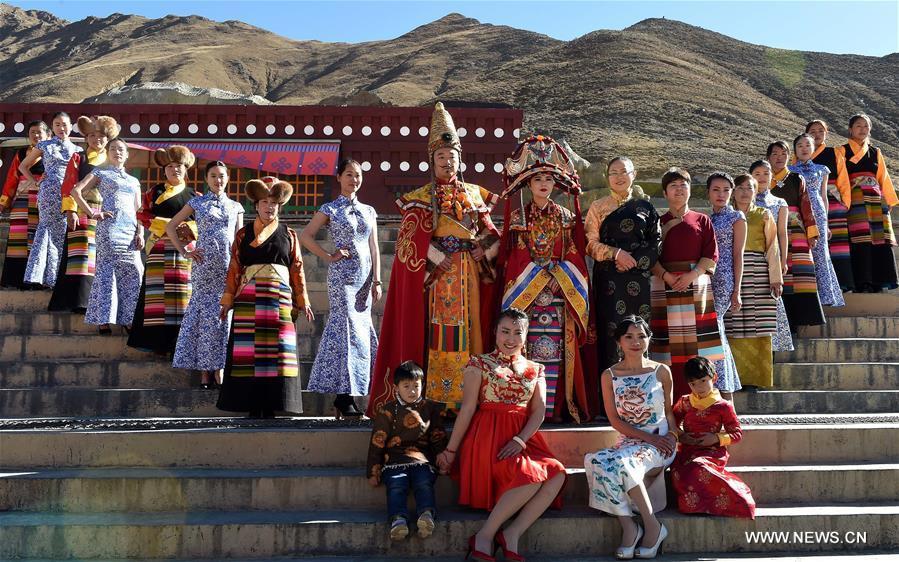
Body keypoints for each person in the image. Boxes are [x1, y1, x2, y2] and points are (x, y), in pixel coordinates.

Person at [367, 102, 500, 415]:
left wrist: (484, 247)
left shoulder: (474, 194)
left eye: (451, 156)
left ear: (459, 158)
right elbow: (408, 241)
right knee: (441, 333)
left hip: (468, 273)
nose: (447, 162)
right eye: (441, 157)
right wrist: (435, 255)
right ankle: (438, 398)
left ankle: (469, 398)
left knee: (470, 331)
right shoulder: (421, 197)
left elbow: (493, 233)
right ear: (432, 160)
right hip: (439, 277)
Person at [437, 308, 566, 562]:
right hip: (488, 438)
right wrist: (451, 450)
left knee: (556, 474)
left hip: (522, 438)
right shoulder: (479, 363)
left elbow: (539, 412)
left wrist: (520, 440)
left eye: (518, 333)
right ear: (495, 332)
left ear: (526, 335)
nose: (511, 338)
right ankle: (485, 536)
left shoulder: (536, 368)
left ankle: (512, 533)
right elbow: (468, 409)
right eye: (505, 331)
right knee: (531, 477)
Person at [496, 134, 592, 422]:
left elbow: (574, 254)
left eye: (549, 180)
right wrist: (538, 279)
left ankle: (555, 408)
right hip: (527, 296)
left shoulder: (565, 216)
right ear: (528, 183)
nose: (543, 184)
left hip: (559, 293)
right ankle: (525, 408)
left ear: (555, 185)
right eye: (537, 179)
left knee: (557, 352)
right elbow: (516, 257)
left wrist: (557, 277)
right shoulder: (518, 218)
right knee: (526, 348)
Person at [217, 177, 313, 418]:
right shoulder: (243, 234)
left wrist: (303, 301)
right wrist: (227, 300)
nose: (269, 207)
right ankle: (251, 405)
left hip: (279, 300)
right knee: (248, 353)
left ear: (279, 206)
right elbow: (234, 267)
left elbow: (297, 269)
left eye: (273, 203)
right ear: (255, 205)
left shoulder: (289, 234)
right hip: (249, 297)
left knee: (277, 352)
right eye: (264, 202)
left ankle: (272, 404)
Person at [584, 316, 678, 560]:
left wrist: (672, 436)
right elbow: (615, 420)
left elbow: (669, 412)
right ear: (619, 342)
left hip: (660, 442)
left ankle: (653, 526)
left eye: (641, 336)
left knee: (625, 463)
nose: (636, 342)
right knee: (597, 460)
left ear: (649, 339)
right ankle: (630, 527)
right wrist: (645, 438)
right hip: (630, 442)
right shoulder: (609, 376)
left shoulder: (661, 371)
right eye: (629, 336)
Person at [302, 158, 381, 418]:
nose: (353, 180)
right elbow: (306, 235)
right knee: (344, 331)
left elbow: (374, 247)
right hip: (341, 278)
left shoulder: (369, 210)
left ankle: (353, 394)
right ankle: (343, 397)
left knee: (360, 333)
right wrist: (328, 256)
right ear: (339, 177)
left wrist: (377, 280)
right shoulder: (331, 208)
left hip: (364, 279)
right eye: (348, 174)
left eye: (357, 175)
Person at [585, 156, 660, 405]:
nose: (618, 176)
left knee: (639, 332)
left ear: (634, 174)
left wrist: (634, 260)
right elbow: (590, 243)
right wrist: (616, 253)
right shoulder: (598, 207)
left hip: (638, 279)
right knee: (611, 333)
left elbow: (655, 242)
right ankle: (609, 402)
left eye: (623, 172)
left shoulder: (645, 208)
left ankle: (644, 398)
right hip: (608, 281)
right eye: (613, 172)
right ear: (607, 177)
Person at [649, 168, 724, 398]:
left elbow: (711, 254)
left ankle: (703, 399)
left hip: (696, 286)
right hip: (664, 287)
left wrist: (691, 276)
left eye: (683, 185)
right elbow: (650, 256)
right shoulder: (657, 222)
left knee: (698, 346)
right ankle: (671, 401)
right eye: (673, 186)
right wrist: (668, 277)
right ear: (665, 192)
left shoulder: (703, 220)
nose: (679, 189)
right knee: (667, 347)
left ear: (690, 189)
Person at [168, 161, 244, 388]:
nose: (218, 180)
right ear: (206, 179)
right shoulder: (197, 203)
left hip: (227, 268)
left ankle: (219, 368)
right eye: (213, 176)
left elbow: (239, 239)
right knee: (203, 317)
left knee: (223, 317)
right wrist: (185, 251)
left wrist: (240, 266)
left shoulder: (236, 206)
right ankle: (203, 371)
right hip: (203, 268)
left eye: (221, 176)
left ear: (228, 178)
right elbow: (171, 226)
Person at [127, 146, 198, 355]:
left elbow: (200, 223)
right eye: (170, 166)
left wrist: (184, 230)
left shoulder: (195, 195)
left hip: (185, 250)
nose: (175, 170)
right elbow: (142, 215)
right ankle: (156, 342)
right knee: (157, 297)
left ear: (186, 170)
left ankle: (181, 343)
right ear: (164, 170)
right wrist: (168, 226)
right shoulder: (154, 192)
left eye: (179, 166)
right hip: (159, 248)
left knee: (184, 295)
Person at [366, 361, 447, 541]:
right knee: (396, 484)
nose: (412, 391)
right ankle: (398, 519)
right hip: (394, 460)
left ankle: (426, 514)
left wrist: (443, 458)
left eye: (416, 386)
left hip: (421, 459)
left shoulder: (430, 409)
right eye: (406, 386)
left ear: (422, 385)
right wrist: (373, 470)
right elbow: (377, 441)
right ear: (396, 388)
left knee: (424, 482)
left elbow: (437, 435)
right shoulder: (387, 411)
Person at [72, 138, 144, 333]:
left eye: (121, 149)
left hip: (130, 231)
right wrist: (93, 213)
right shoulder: (100, 172)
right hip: (109, 228)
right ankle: (103, 319)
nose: (117, 152)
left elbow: (140, 210)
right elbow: (76, 191)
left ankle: (128, 318)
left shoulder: (134, 181)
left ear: (127, 154)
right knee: (106, 272)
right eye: (113, 149)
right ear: (108, 152)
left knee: (133, 272)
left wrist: (141, 232)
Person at [49, 115, 120, 312]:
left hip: (107, 213)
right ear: (86, 138)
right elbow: (69, 183)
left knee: (102, 256)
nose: (97, 139)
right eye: (92, 135)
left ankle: (100, 300)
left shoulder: (113, 160)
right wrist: (70, 210)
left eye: (101, 137)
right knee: (80, 256)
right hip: (82, 210)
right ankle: (78, 301)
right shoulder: (78, 157)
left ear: (108, 140)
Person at [671, 356, 756, 519]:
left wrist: (716, 438)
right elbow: (671, 422)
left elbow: (737, 433)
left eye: (703, 381)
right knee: (679, 470)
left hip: (712, 452)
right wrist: (681, 436)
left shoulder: (723, 406)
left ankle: (733, 500)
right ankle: (696, 505)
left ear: (714, 377)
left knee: (699, 468)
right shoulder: (684, 402)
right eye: (693, 384)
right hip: (687, 451)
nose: (698, 387)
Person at [727, 175, 782, 389]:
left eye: (749, 187)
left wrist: (775, 278)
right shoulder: (727, 216)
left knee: (759, 327)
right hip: (732, 272)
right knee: (734, 326)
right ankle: (735, 378)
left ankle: (756, 379)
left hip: (759, 273)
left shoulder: (764, 214)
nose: (744, 192)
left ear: (756, 190)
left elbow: (773, 247)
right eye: (739, 187)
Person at [766, 141, 825, 331]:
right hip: (771, 230)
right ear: (768, 157)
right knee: (778, 274)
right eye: (775, 154)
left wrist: (812, 232)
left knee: (800, 276)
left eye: (784, 153)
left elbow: (806, 206)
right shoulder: (763, 178)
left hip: (797, 231)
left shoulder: (797, 178)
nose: (779, 157)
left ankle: (799, 320)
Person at [21, 112, 82, 288]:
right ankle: (38, 276)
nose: (61, 128)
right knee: (46, 228)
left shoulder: (78, 150)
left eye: (64, 124)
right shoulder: (44, 145)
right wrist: (35, 181)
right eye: (57, 125)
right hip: (48, 192)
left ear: (71, 126)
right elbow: (23, 166)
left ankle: (55, 278)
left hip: (69, 195)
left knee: (62, 233)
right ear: (52, 127)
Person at [837, 114, 898, 292]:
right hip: (855, 198)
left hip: (875, 199)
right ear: (850, 129)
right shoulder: (841, 151)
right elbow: (841, 177)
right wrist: (845, 200)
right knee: (860, 239)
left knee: (878, 239)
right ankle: (862, 281)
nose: (862, 129)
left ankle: (880, 280)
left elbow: (883, 177)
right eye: (858, 126)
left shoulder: (875, 151)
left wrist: (888, 199)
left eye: (865, 126)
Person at [789, 133, 845, 307]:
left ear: (813, 148)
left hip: (819, 213)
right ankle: (806, 293)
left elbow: (824, 196)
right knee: (802, 251)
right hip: (799, 214)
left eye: (807, 145)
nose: (804, 149)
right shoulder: (790, 171)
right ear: (795, 150)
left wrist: (826, 223)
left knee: (821, 253)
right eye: (800, 146)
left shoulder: (822, 169)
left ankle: (826, 295)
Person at [706, 172, 744, 399]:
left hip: (724, 279)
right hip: (707, 278)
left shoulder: (737, 217)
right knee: (714, 331)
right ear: (708, 193)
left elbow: (738, 255)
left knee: (715, 329)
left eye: (726, 190)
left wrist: (736, 290)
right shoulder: (707, 219)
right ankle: (720, 388)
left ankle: (724, 389)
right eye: (716, 190)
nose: (721, 194)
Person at [750, 160, 794, 353]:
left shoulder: (779, 202)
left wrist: (783, 259)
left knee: (771, 298)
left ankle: (774, 344)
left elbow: (782, 233)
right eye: (757, 174)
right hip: (749, 257)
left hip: (772, 256)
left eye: (766, 174)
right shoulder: (743, 202)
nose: (762, 178)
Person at [805, 119, 854, 290]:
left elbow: (843, 178)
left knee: (838, 244)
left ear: (826, 133)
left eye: (820, 131)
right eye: (813, 131)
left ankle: (843, 283)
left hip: (833, 201)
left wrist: (845, 202)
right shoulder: (802, 153)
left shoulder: (834, 152)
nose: (817, 134)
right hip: (809, 203)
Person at [0, 120, 50, 288]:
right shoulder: (22, 153)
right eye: (32, 132)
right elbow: (12, 178)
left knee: (38, 239)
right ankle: (14, 279)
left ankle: (36, 279)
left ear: (48, 135)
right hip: (21, 200)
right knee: (18, 241)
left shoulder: (52, 154)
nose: (36, 135)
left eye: (39, 132)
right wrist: (4, 201)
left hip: (43, 201)